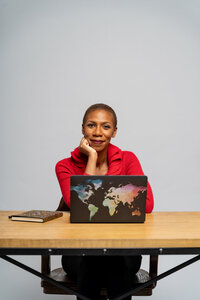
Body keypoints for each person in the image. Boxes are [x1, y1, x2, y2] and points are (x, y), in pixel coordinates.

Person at [56, 103, 154, 300]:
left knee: (111, 257)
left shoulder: (127, 160)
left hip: (124, 252)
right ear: (83, 128)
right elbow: (79, 206)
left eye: (106, 126)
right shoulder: (64, 166)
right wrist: (91, 158)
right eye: (91, 125)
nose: (98, 132)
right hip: (78, 253)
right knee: (95, 258)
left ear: (114, 131)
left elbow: (148, 204)